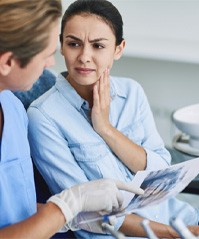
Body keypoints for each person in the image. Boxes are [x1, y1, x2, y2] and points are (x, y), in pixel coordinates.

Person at [27, 0, 199, 238]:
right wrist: (172, 234)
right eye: (74, 44)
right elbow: (82, 211)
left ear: (118, 49)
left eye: (98, 46)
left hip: (174, 216)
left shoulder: (132, 92)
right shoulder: (43, 116)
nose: (84, 57)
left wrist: (105, 128)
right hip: (118, 233)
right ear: (62, 46)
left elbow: (160, 169)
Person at [0, 1, 143, 238]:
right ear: (7, 62)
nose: (50, 65)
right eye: (46, 55)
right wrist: (67, 205)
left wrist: (75, 214)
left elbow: (18, 208)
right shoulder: (40, 114)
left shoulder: (13, 108)